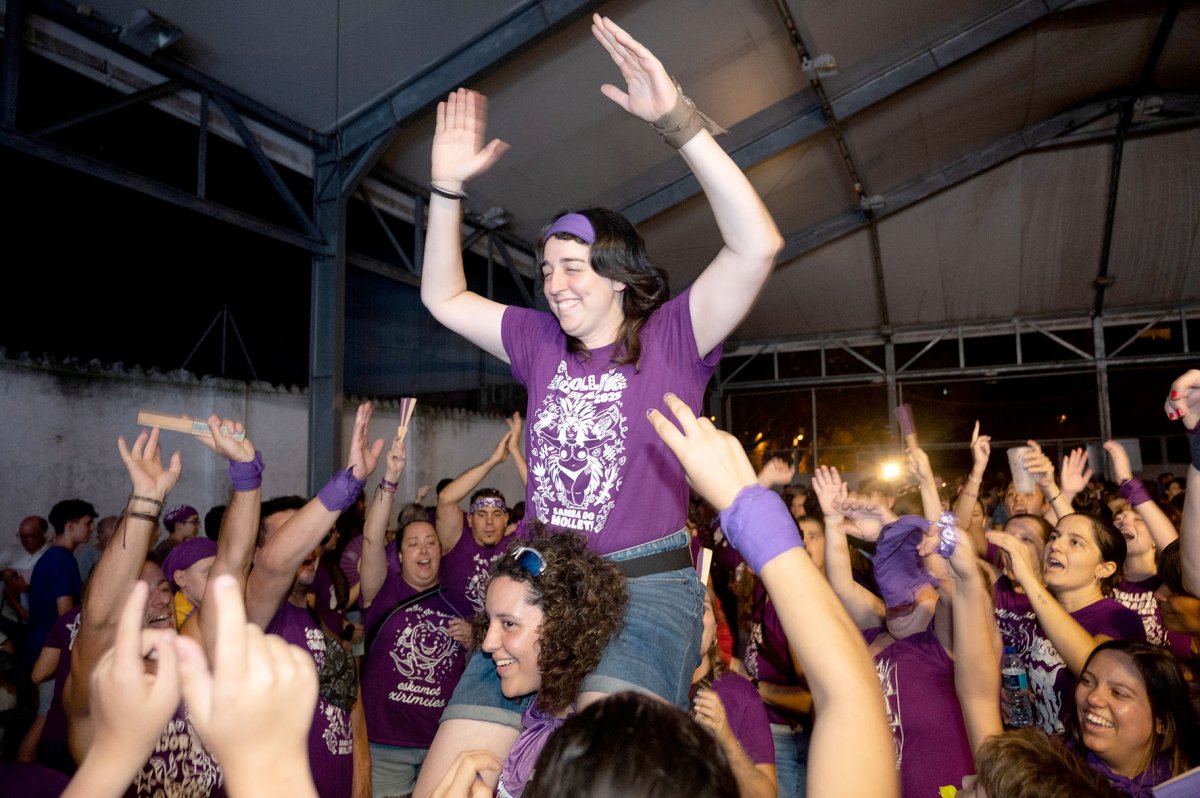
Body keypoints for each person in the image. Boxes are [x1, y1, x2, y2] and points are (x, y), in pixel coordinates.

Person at [415, 13, 783, 792]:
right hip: (537, 587)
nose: (555, 284)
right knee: (445, 784)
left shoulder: (676, 336)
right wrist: (445, 187)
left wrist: (678, 123)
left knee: (600, 779)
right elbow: (444, 296)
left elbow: (757, 245)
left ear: (619, 274)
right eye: (546, 269)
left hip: (642, 590)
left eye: (575, 266)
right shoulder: (537, 341)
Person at [359, 435, 471, 798]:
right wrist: (390, 479)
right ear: (400, 555)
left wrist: (472, 642)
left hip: (440, 742)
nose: (424, 549)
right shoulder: (382, 590)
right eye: (413, 543)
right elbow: (372, 538)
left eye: (431, 542)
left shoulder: (459, 603)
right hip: (385, 745)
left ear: (441, 551)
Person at [477, 530, 627, 797]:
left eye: (509, 624)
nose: (488, 644)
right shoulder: (539, 713)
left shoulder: (590, 744)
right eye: (489, 622)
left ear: (563, 627)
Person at [988, 512, 1146, 734]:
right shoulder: (1038, 616)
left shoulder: (1118, 618)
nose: (1055, 545)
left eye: (1074, 542)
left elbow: (1095, 668)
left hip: (1083, 764)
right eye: (1054, 537)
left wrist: (1029, 580)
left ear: (1104, 568)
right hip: (1044, 758)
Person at [1066, 639, 1200, 794]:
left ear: (1161, 722)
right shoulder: (1047, 775)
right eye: (1087, 681)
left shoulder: (1185, 789)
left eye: (1118, 693)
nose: (1093, 698)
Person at [691, 587, 776, 798]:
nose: (693, 613)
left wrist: (727, 740)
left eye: (704, 607)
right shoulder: (649, 687)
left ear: (714, 634)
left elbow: (766, 795)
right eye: (684, 604)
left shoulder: (739, 693)